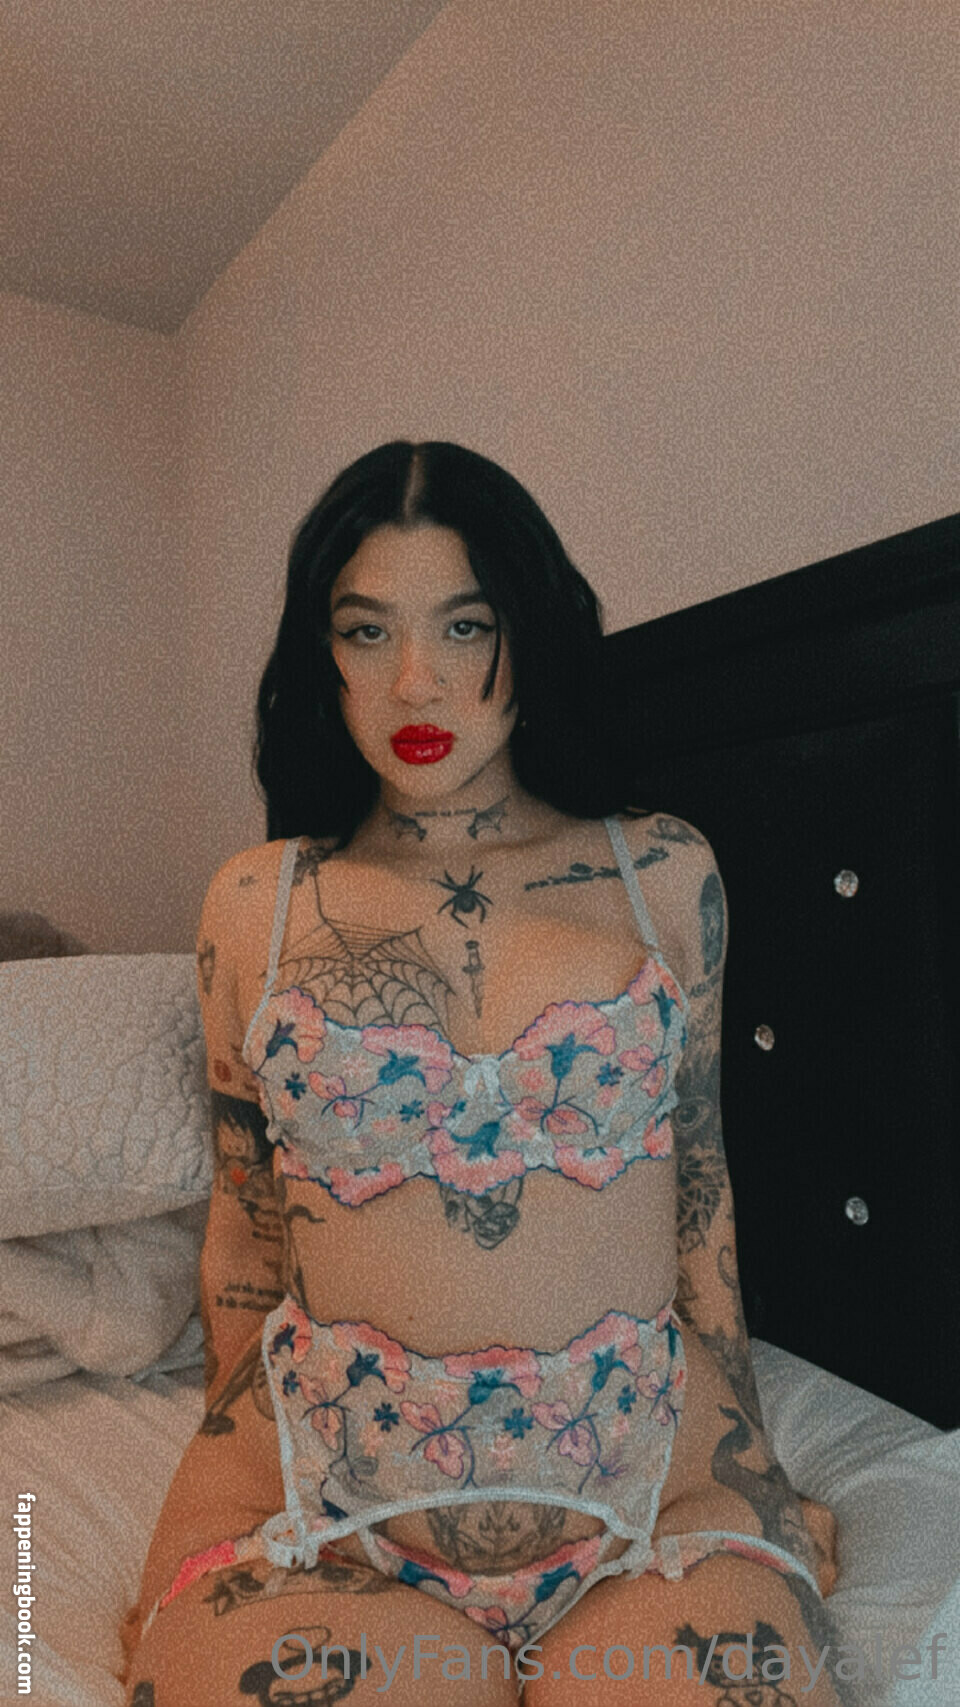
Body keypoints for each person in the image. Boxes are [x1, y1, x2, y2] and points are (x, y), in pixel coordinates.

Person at [121, 441, 844, 1706]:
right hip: (328, 1508)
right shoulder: (255, 903)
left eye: (466, 625)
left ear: (533, 632)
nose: (417, 680)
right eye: (366, 631)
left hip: (647, 1491)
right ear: (320, 656)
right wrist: (227, 1469)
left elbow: (699, 1190)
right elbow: (246, 1224)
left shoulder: (661, 873)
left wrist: (752, 1459)